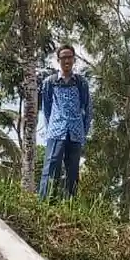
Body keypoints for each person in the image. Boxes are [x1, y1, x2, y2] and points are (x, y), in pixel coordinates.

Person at [38, 44, 92, 199]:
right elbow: (47, 108)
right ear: (58, 60)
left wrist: (84, 130)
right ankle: (45, 203)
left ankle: (69, 207)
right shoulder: (50, 82)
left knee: (73, 171)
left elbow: (87, 108)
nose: (67, 60)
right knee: (51, 167)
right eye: (63, 57)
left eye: (69, 57)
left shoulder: (81, 83)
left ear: (74, 60)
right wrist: (50, 128)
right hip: (56, 131)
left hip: (75, 132)